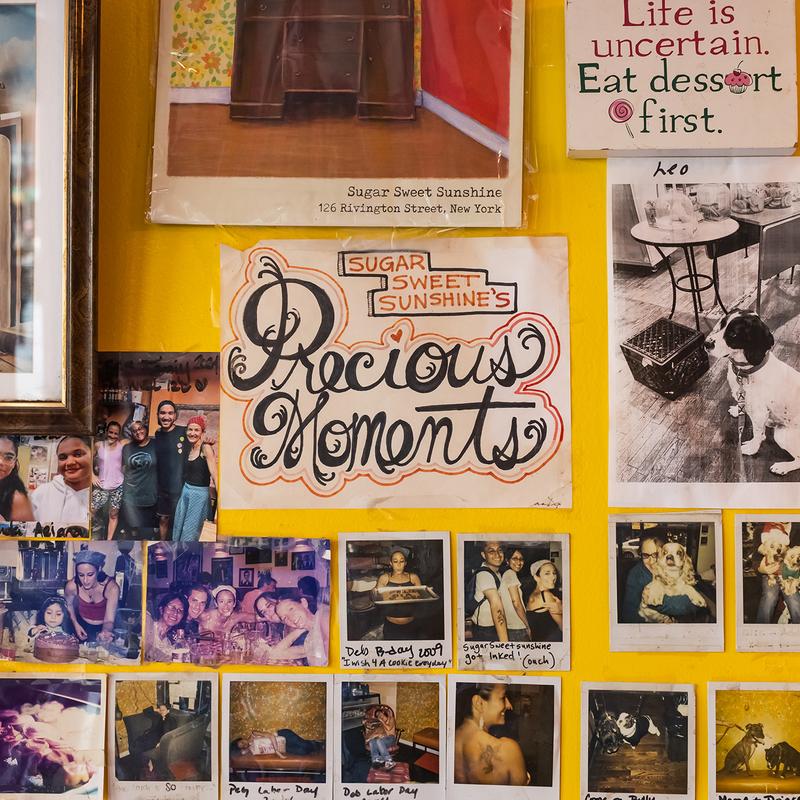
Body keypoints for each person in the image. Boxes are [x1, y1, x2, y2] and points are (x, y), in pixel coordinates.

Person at [454, 684, 529, 785]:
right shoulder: (507, 750)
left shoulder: (447, 741)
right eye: (502, 697)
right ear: (479, 703)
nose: (508, 705)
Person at [171, 416, 217, 542]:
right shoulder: (189, 447)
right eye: (190, 429)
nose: (192, 433)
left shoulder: (205, 447)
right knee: (179, 527)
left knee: (190, 533)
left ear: (203, 432)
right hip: (186, 491)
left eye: (197, 430)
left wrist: (220, 505)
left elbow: (215, 474)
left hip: (199, 496)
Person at [30, 437, 92, 527]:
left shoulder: (103, 494)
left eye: (78, 454)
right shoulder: (41, 494)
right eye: (63, 457)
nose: (70, 462)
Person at [64, 549, 120, 644]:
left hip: (104, 626)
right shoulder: (71, 586)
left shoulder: (112, 588)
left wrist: (105, 632)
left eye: (90, 575)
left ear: (99, 569)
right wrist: (76, 624)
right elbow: (68, 605)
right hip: (81, 625)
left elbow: (109, 620)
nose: (85, 580)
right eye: (81, 575)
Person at [153, 401, 188, 541]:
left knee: (180, 521)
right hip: (163, 488)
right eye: (162, 413)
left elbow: (198, 443)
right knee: (163, 519)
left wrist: (207, 441)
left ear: (175, 416)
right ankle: (162, 544)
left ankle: (178, 546)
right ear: (157, 415)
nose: (166, 417)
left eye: (170, 413)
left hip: (182, 487)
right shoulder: (158, 433)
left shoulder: (184, 431)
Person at [120, 421, 158, 537]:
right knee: (132, 534)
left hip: (149, 498)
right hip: (130, 498)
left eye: (140, 428)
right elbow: (123, 469)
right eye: (134, 431)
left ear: (145, 429)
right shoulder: (127, 448)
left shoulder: (156, 444)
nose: (138, 432)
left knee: (147, 533)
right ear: (131, 434)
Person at [375, 548, 422, 640]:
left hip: (411, 626)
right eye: (395, 561)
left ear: (405, 563)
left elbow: (421, 597)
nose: (399, 565)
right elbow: (379, 597)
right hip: (391, 627)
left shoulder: (413, 578)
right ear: (391, 563)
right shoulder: (384, 578)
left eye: (402, 561)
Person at [267, 598, 329, 666]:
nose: (290, 617)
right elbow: (275, 654)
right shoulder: (309, 641)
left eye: (291, 609)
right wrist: (301, 627)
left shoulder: (323, 614)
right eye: (284, 618)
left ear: (304, 603)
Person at [470, 541, 512, 641]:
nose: (497, 554)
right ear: (484, 555)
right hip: (486, 631)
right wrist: (505, 643)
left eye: (499, 550)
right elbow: (496, 606)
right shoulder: (485, 575)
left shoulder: (495, 572)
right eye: (491, 551)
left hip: (492, 627)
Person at [621, 533, 665, 623]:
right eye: (645, 555)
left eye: (656, 554)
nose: (651, 561)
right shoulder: (636, 574)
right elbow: (629, 614)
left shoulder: (673, 569)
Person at [92, 421, 126, 540]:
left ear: (119, 434)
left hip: (118, 486)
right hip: (101, 485)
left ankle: (109, 540)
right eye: (110, 432)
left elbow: (137, 438)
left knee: (113, 514)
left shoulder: (122, 444)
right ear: (106, 431)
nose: (112, 435)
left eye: (116, 433)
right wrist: (92, 475)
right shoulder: (98, 445)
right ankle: (89, 534)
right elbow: (86, 459)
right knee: (91, 511)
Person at [526, 560, 564, 642]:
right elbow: (563, 627)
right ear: (536, 577)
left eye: (554, 573)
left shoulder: (532, 595)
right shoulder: (546, 595)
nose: (553, 577)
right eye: (547, 573)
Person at [144, 592, 188, 662]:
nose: (175, 613)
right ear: (161, 609)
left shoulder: (170, 643)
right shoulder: (148, 625)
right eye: (172, 608)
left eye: (180, 611)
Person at [0, 437, 33, 522]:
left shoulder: (17, 498)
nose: (1, 462)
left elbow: (27, 529)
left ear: (14, 463)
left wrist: (4, 524)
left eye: (8, 457)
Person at [501, 549, 532, 642]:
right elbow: (516, 603)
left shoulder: (507, 574)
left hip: (511, 627)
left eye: (521, 559)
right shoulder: (510, 574)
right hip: (518, 627)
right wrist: (527, 625)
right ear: (507, 561)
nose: (519, 562)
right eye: (514, 558)